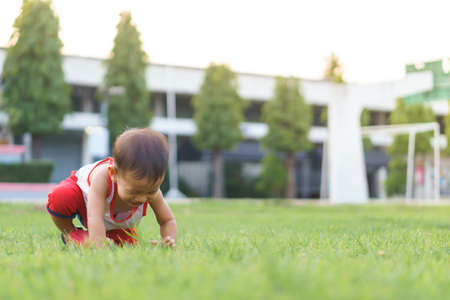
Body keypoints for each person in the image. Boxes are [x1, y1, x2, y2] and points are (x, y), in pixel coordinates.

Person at [46, 128, 177, 248]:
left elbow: (167, 220)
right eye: (134, 191)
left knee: (125, 245)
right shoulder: (102, 179)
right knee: (62, 196)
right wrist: (99, 245)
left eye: (150, 191)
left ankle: (88, 238)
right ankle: (70, 233)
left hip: (113, 220)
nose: (142, 198)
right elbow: (94, 217)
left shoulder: (150, 188)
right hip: (86, 203)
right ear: (114, 174)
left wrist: (168, 240)